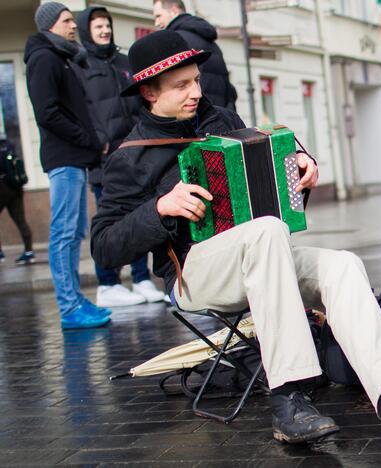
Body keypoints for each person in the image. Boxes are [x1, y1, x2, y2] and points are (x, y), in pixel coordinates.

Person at [91, 30, 381, 449]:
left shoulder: (221, 121)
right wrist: (158, 209)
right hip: (194, 274)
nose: (196, 91)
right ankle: (288, 397)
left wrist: (300, 167)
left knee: (341, 265)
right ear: (150, 92)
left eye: (196, 79)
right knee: (267, 232)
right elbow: (104, 245)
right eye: (182, 85)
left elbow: (273, 170)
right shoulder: (129, 158)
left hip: (262, 256)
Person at [24, 2, 111, 329]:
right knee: (63, 232)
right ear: (50, 26)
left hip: (74, 157)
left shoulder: (61, 57)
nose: (73, 25)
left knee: (73, 231)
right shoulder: (44, 59)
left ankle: (75, 301)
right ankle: (69, 307)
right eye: (66, 20)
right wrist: (87, 139)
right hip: (64, 158)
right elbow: (47, 113)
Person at [75, 6, 165, 307]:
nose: (104, 30)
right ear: (86, 30)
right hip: (105, 159)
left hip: (135, 154)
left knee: (141, 216)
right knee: (110, 219)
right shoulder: (81, 65)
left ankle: (141, 278)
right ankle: (108, 283)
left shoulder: (123, 62)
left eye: (107, 25)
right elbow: (82, 111)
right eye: (98, 26)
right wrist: (97, 142)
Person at [152, 0, 237, 111]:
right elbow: (228, 88)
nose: (156, 23)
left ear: (174, 11)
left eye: (159, 16)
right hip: (220, 117)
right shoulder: (211, 43)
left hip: (195, 116)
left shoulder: (175, 40)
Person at [0, 138, 35, 265]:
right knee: (21, 221)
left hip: (2, 188)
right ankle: (29, 252)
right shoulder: (8, 144)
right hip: (16, 188)